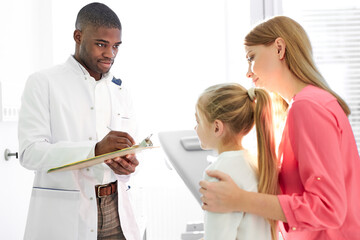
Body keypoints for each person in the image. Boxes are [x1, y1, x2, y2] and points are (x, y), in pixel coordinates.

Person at [199, 16, 360, 240]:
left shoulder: (307, 107)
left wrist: (239, 199)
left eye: (251, 57)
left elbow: (327, 208)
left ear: (279, 48)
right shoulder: (308, 104)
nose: (248, 71)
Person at [18, 2, 141, 240]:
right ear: (78, 36)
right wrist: (95, 150)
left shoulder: (120, 89)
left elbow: (127, 148)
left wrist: (128, 165)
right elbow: (30, 153)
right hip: (68, 211)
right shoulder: (44, 82)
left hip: (116, 208)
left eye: (116, 46)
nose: (110, 54)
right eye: (101, 44)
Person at [195, 83, 278, 239]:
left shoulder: (218, 173)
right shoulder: (256, 164)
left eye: (198, 120)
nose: (195, 127)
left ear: (217, 128)